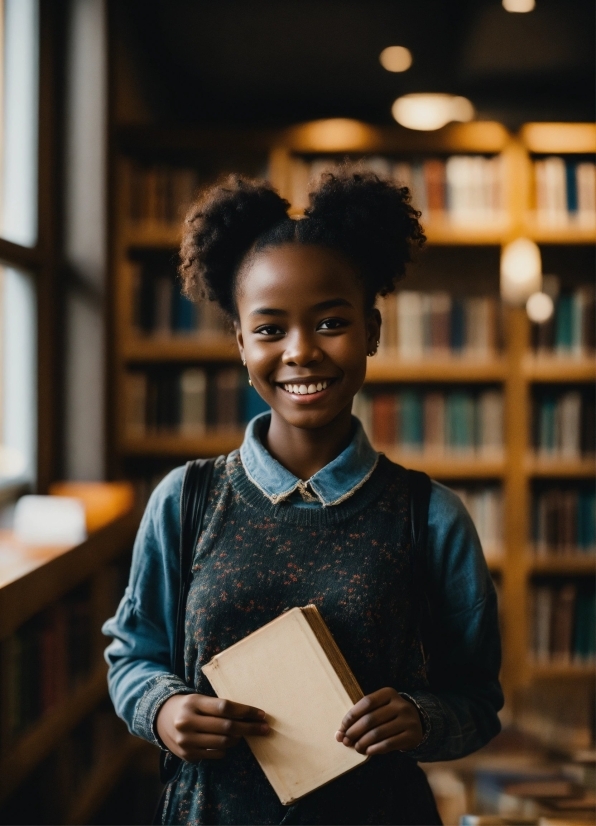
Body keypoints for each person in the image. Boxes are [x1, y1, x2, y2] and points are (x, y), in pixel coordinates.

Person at [103, 169, 503, 826]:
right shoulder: (186, 501)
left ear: (372, 331)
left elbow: (478, 700)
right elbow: (133, 655)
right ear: (239, 343)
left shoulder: (430, 517)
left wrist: (423, 718)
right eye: (269, 329)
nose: (301, 352)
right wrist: (163, 709)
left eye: (330, 322)